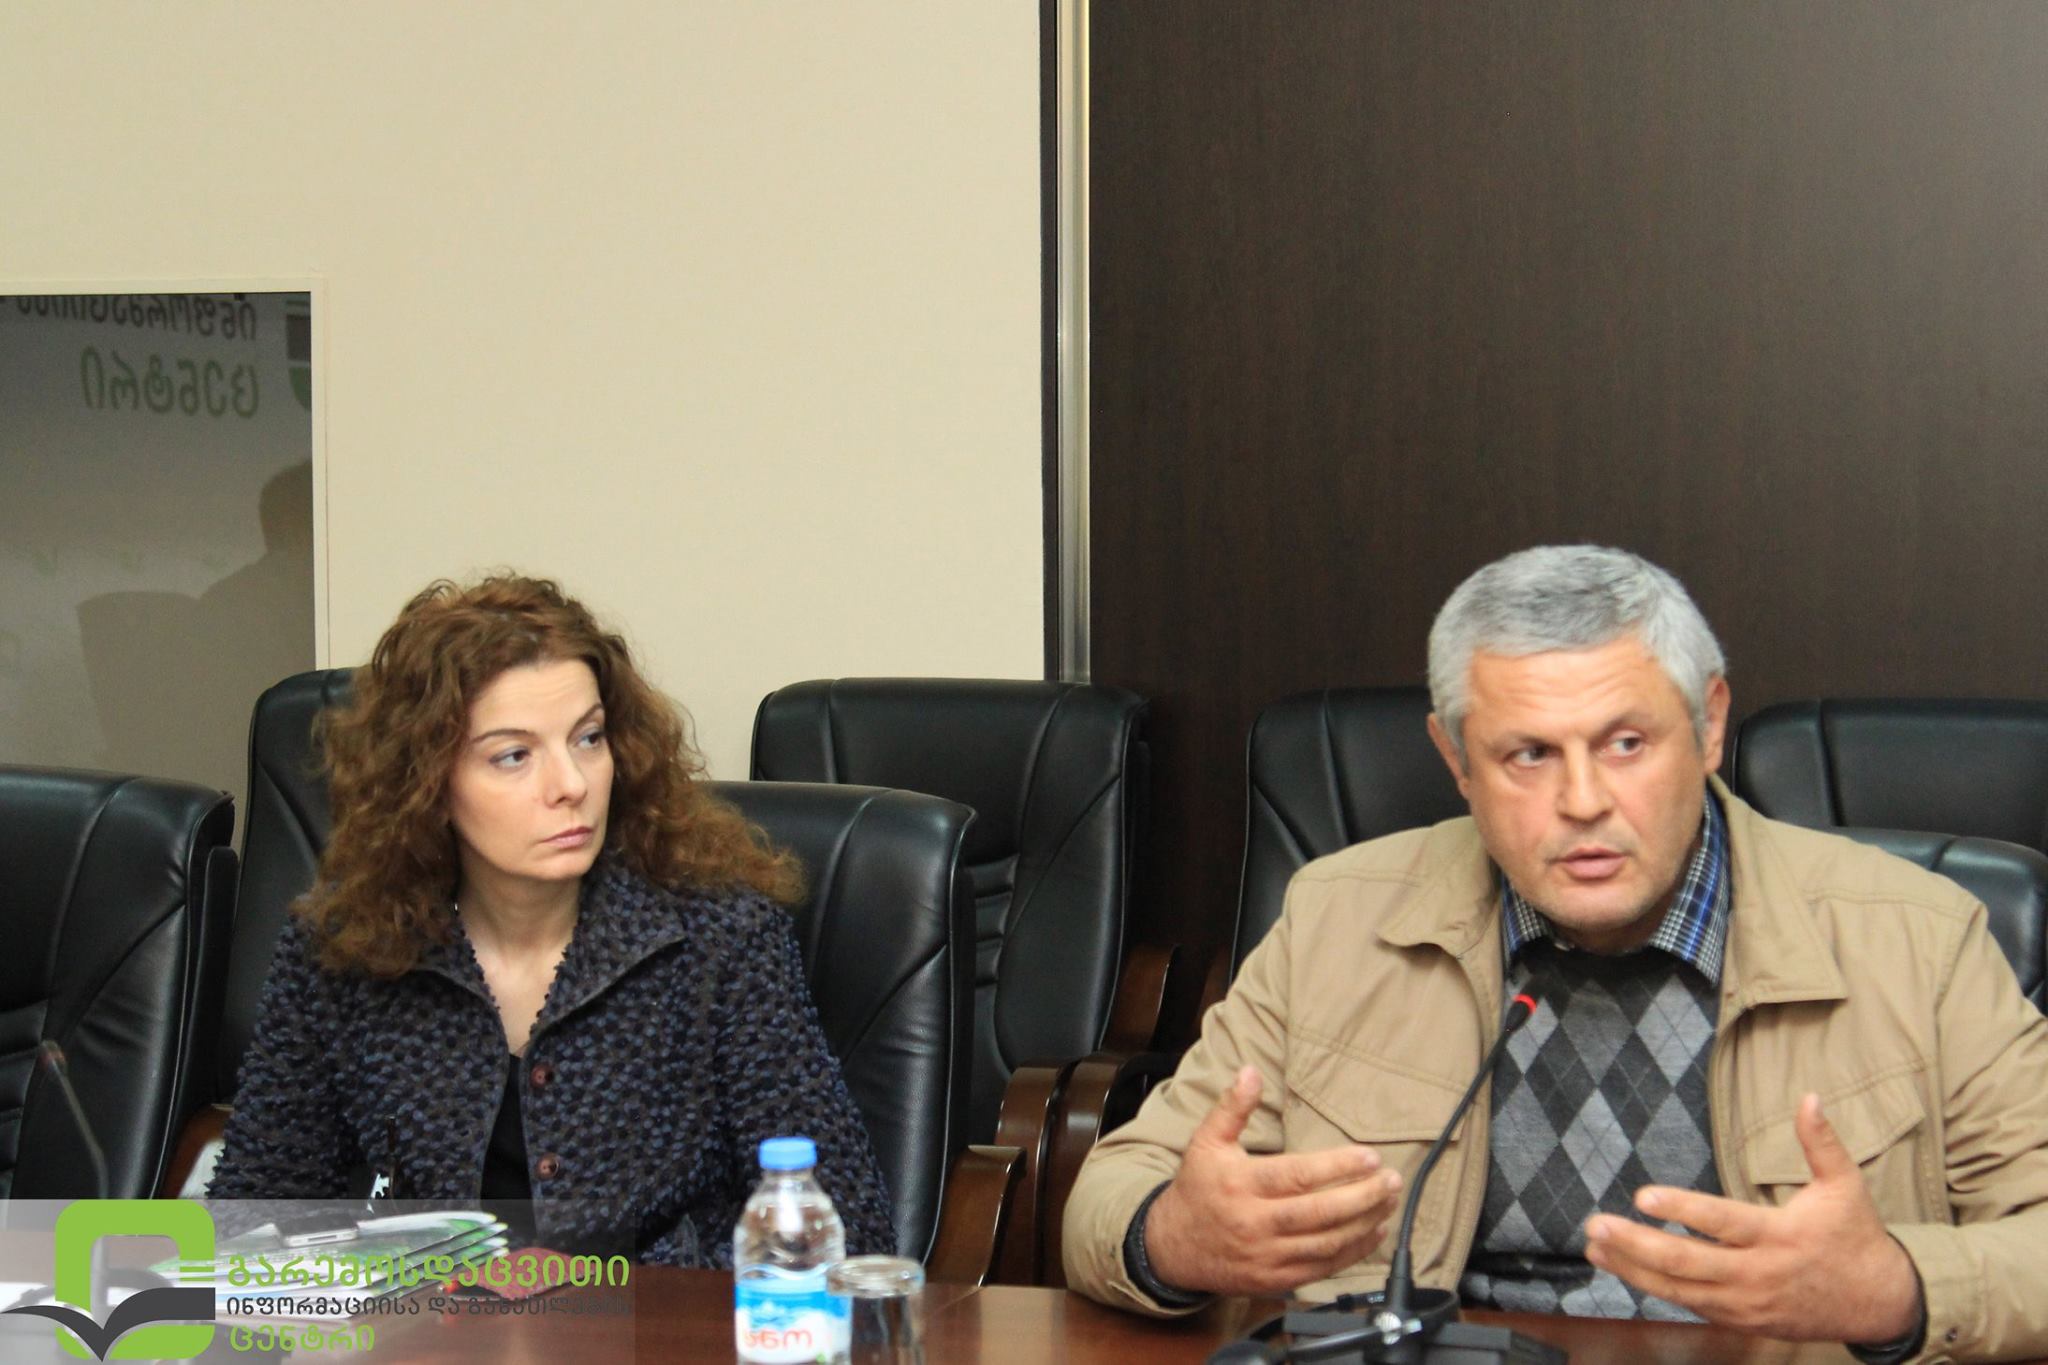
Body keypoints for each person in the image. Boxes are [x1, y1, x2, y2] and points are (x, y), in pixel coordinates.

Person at [1065, 545, 2048, 1363]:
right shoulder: (1340, 918)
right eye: (1527, 754)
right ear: (1456, 760)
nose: (1581, 802)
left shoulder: (1917, 938)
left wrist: (1897, 1290)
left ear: (1707, 724)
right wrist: (1174, 1236)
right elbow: (1107, 1198)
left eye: (1624, 744)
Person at [209, 573, 896, 1264]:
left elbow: (846, 1230)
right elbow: (246, 1226)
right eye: (514, 755)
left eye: (588, 738)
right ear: (426, 784)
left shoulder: (721, 939)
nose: (571, 784)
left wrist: (610, 1302)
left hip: (669, 1320)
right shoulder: (345, 948)